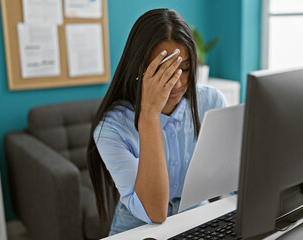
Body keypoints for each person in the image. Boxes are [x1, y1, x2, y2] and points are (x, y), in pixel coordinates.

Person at [87, 8, 227, 235]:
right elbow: (155, 212)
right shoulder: (111, 127)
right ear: (139, 68)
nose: (178, 82)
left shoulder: (212, 101)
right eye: (165, 70)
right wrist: (149, 115)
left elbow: (230, 182)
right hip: (137, 227)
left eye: (185, 68)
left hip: (197, 217)